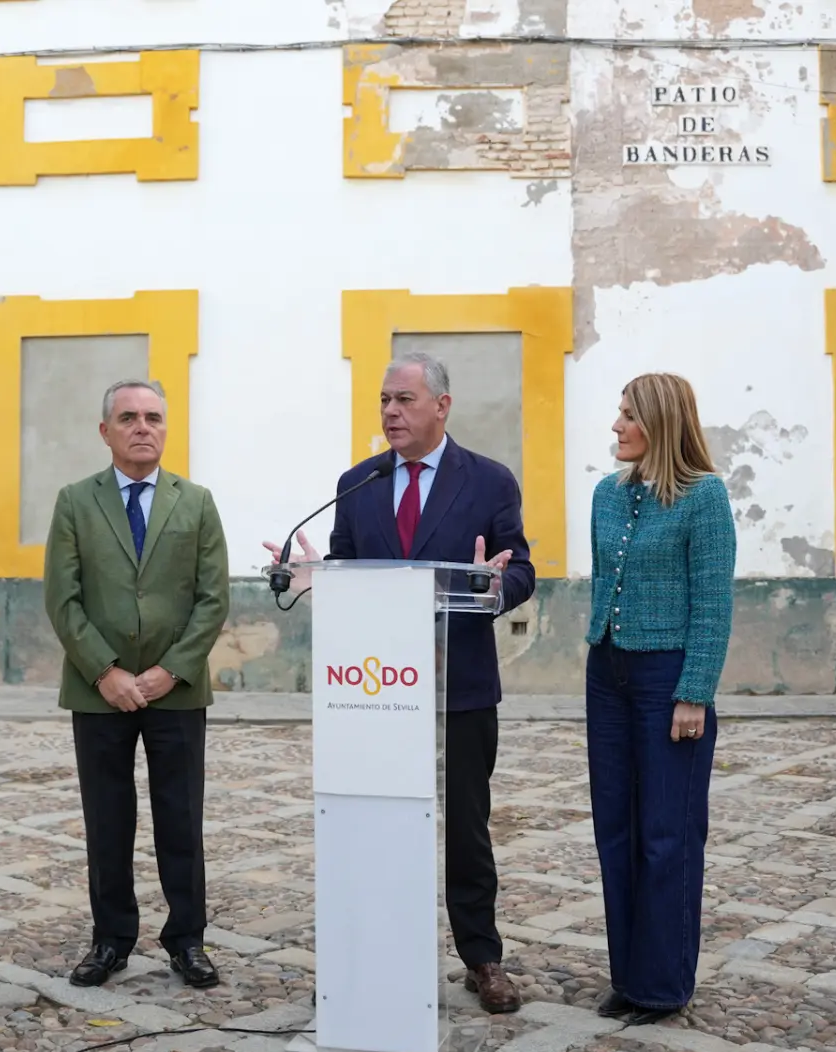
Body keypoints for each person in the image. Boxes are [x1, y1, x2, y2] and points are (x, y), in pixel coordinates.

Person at [263, 355, 535, 1014]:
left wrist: (494, 585)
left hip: (461, 686)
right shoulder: (358, 483)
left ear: (442, 406)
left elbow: (520, 567)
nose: (390, 412)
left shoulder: (490, 481)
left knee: (466, 828)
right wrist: (312, 575)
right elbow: (350, 571)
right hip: (378, 691)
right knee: (384, 820)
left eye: (405, 400)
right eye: (385, 400)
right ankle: (386, 950)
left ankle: (481, 956)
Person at [44, 378, 230, 991]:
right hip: (99, 693)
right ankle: (111, 939)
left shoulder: (196, 502)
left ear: (166, 428)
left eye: (152, 417)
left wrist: (167, 671)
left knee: (181, 819)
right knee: (108, 818)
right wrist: (105, 671)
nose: (142, 427)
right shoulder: (75, 502)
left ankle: (187, 940)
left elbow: (212, 599)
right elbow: (62, 599)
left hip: (175, 690)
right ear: (106, 431)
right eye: (128, 417)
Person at [585, 372, 736, 1025]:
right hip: (606, 673)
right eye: (617, 414)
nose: (616, 426)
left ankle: (664, 984)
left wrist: (694, 693)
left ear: (661, 424)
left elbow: (713, 603)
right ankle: (629, 976)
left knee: (667, 835)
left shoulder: (706, 499)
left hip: (667, 679)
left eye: (627, 416)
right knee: (615, 829)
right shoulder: (605, 494)